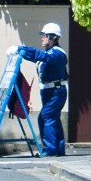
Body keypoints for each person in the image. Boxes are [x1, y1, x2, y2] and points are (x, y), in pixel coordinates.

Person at [23, 22, 69, 157]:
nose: (42, 38)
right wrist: (22, 54)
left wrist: (21, 49)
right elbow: (38, 58)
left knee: (45, 117)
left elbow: (42, 57)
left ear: (52, 37)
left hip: (56, 92)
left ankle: (50, 150)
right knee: (53, 118)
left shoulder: (57, 54)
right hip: (49, 92)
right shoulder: (49, 52)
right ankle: (58, 149)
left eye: (44, 35)